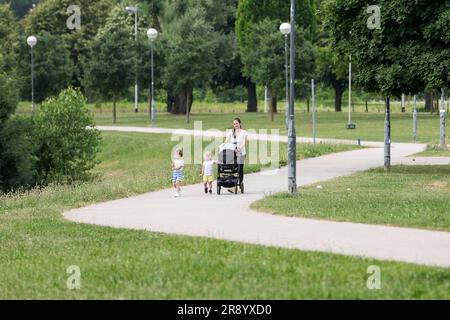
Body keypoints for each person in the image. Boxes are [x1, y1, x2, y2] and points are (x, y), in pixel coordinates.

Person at [225, 118, 247, 193]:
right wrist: (224, 145)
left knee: (240, 169)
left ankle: (239, 185)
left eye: (237, 123)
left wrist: (239, 148)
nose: (235, 125)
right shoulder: (231, 132)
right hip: (232, 153)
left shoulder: (244, 132)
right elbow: (227, 140)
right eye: (234, 124)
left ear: (240, 123)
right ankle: (232, 185)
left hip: (241, 153)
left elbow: (244, 142)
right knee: (232, 169)